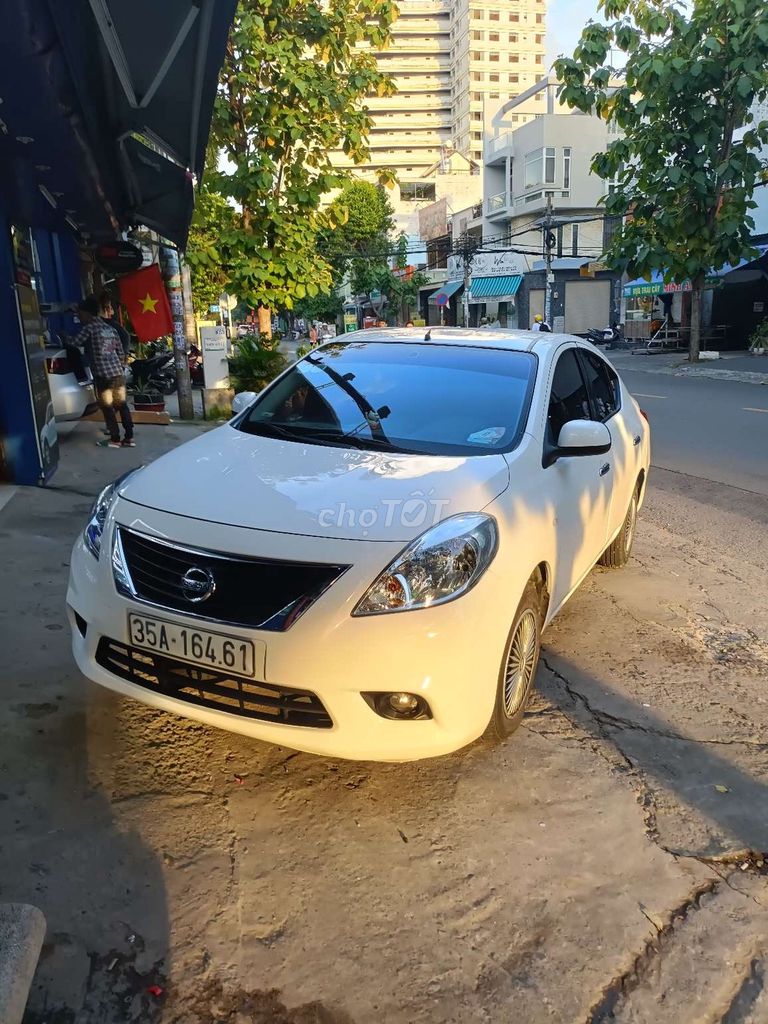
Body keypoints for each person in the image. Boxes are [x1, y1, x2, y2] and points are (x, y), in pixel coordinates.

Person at [76, 296, 134, 449]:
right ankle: (129, 438)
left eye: (80, 314)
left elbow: (75, 342)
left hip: (102, 375)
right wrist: (119, 366)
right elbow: (120, 351)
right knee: (122, 405)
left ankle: (115, 439)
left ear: (87, 313)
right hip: (117, 373)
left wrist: (62, 336)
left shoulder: (89, 328)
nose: (79, 318)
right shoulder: (110, 329)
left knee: (107, 407)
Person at [99, 290, 131, 359]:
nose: (112, 312)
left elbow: (126, 336)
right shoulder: (110, 324)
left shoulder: (111, 324)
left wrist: (123, 354)